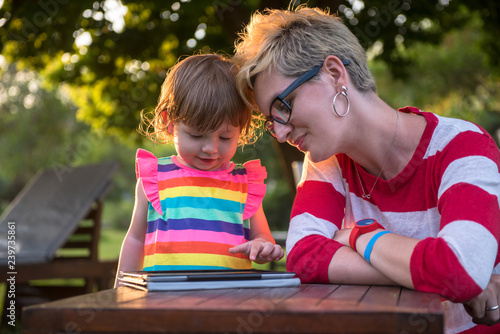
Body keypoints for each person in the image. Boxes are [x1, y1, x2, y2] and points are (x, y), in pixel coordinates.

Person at [233, 6, 500, 334]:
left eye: (282, 107)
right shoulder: (326, 162)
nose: (281, 133)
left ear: (334, 74)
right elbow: (303, 255)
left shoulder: (462, 145)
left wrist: (359, 235)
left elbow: (459, 269)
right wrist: (435, 273)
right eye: (271, 121)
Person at [115, 54, 284, 285]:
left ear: (241, 129)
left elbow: (262, 236)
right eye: (196, 135)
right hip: (164, 302)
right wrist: (121, 289)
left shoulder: (245, 185)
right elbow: (135, 239)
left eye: (225, 137)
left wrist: (263, 247)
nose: (210, 148)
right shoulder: (155, 178)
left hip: (228, 302)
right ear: (169, 122)